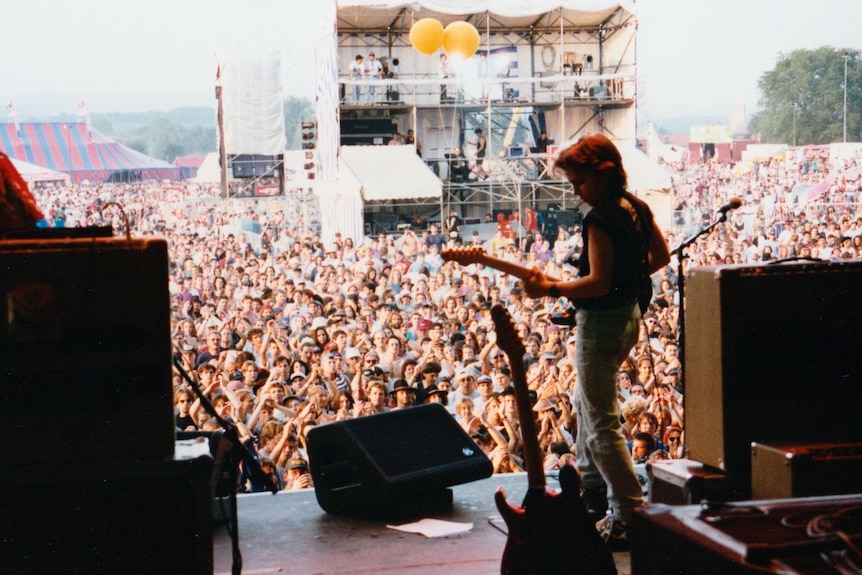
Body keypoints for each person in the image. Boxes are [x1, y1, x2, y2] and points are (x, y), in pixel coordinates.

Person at [519, 133, 670, 547]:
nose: (575, 190)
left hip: (600, 324)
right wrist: (629, 277)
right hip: (629, 319)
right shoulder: (637, 207)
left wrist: (551, 289)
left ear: (602, 175)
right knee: (586, 406)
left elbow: (599, 282)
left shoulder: (599, 217)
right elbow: (660, 257)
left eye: (579, 181)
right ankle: (593, 493)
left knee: (601, 424)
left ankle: (628, 516)